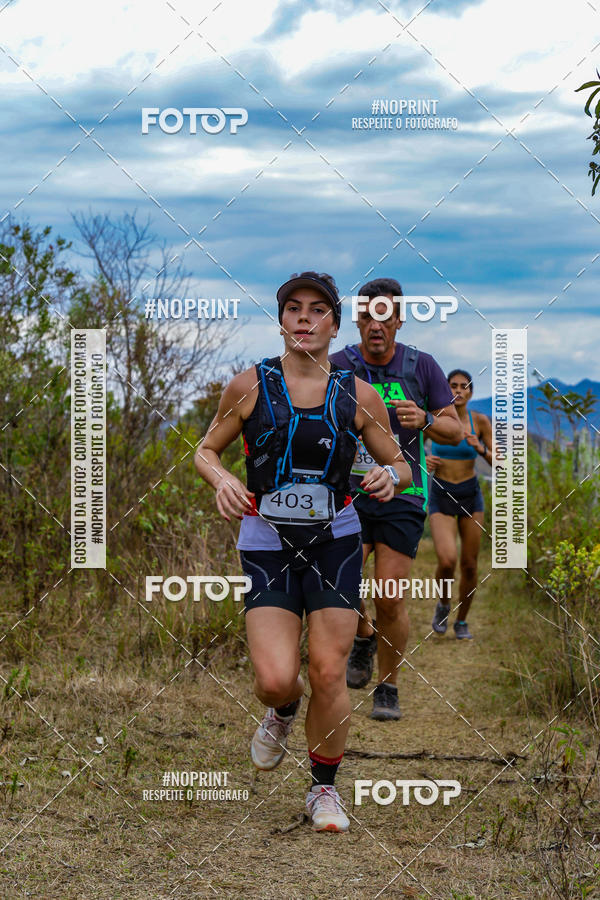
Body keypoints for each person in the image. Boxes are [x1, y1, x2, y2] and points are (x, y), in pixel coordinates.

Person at [194, 271, 412, 832]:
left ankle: (323, 788)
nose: (305, 319)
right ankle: (282, 709)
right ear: (283, 320)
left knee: (328, 669)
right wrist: (220, 479)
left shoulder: (356, 393)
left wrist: (392, 477)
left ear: (335, 325)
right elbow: (206, 450)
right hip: (267, 542)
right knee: (273, 678)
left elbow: (400, 463)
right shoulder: (247, 386)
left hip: (335, 540)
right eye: (294, 309)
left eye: (318, 310)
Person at [329, 278, 462, 720]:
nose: (375, 325)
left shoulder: (421, 366)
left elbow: (455, 429)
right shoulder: (337, 365)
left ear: (399, 321)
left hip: (405, 492)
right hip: (347, 491)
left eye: (384, 316)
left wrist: (424, 418)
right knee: (339, 584)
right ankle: (363, 634)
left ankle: (388, 687)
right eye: (366, 316)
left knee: (389, 595)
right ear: (358, 321)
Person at [427, 369, 492, 640]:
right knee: (446, 560)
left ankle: (462, 621)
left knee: (468, 564)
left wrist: (482, 449)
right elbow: (410, 448)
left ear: (471, 392)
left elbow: (500, 462)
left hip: (470, 494)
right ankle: (443, 604)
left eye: (464, 386)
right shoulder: (436, 418)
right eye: (453, 386)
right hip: (441, 493)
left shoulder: (480, 421)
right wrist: (424, 458)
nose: (458, 390)